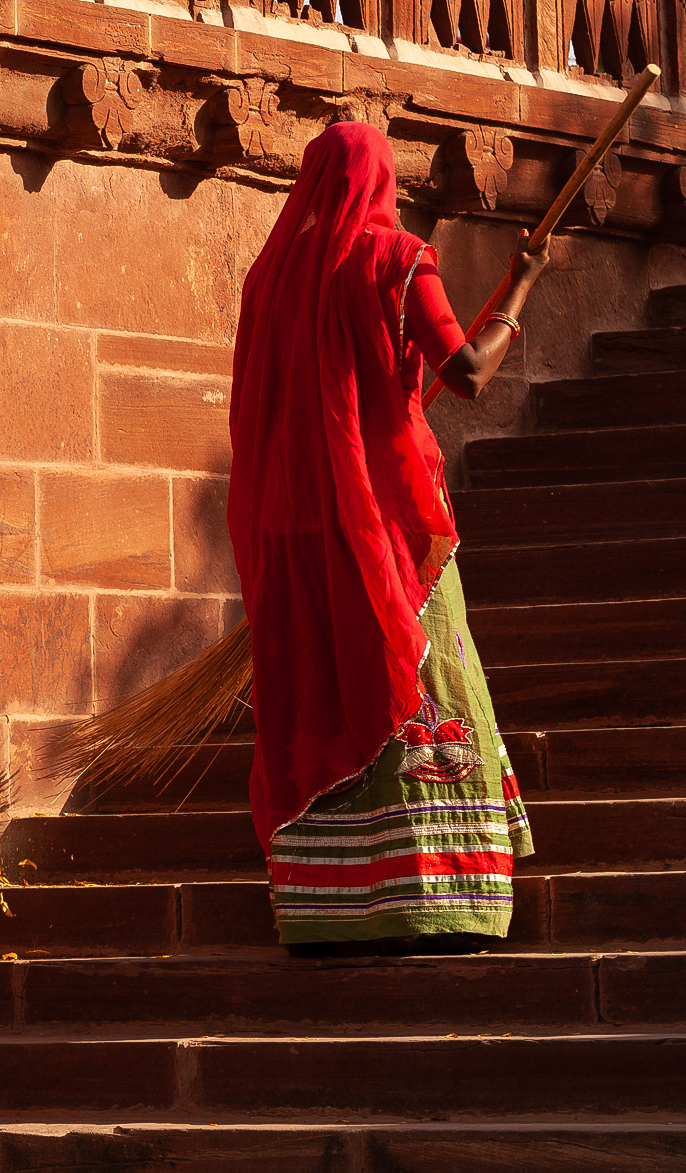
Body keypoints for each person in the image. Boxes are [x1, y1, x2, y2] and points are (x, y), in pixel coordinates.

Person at [227, 120, 545, 957]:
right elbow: (466, 374)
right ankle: (436, 895)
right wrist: (519, 287)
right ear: (379, 184)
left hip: (294, 526)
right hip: (391, 521)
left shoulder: (270, 278)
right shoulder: (396, 259)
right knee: (426, 677)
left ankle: (329, 905)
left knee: (325, 693)